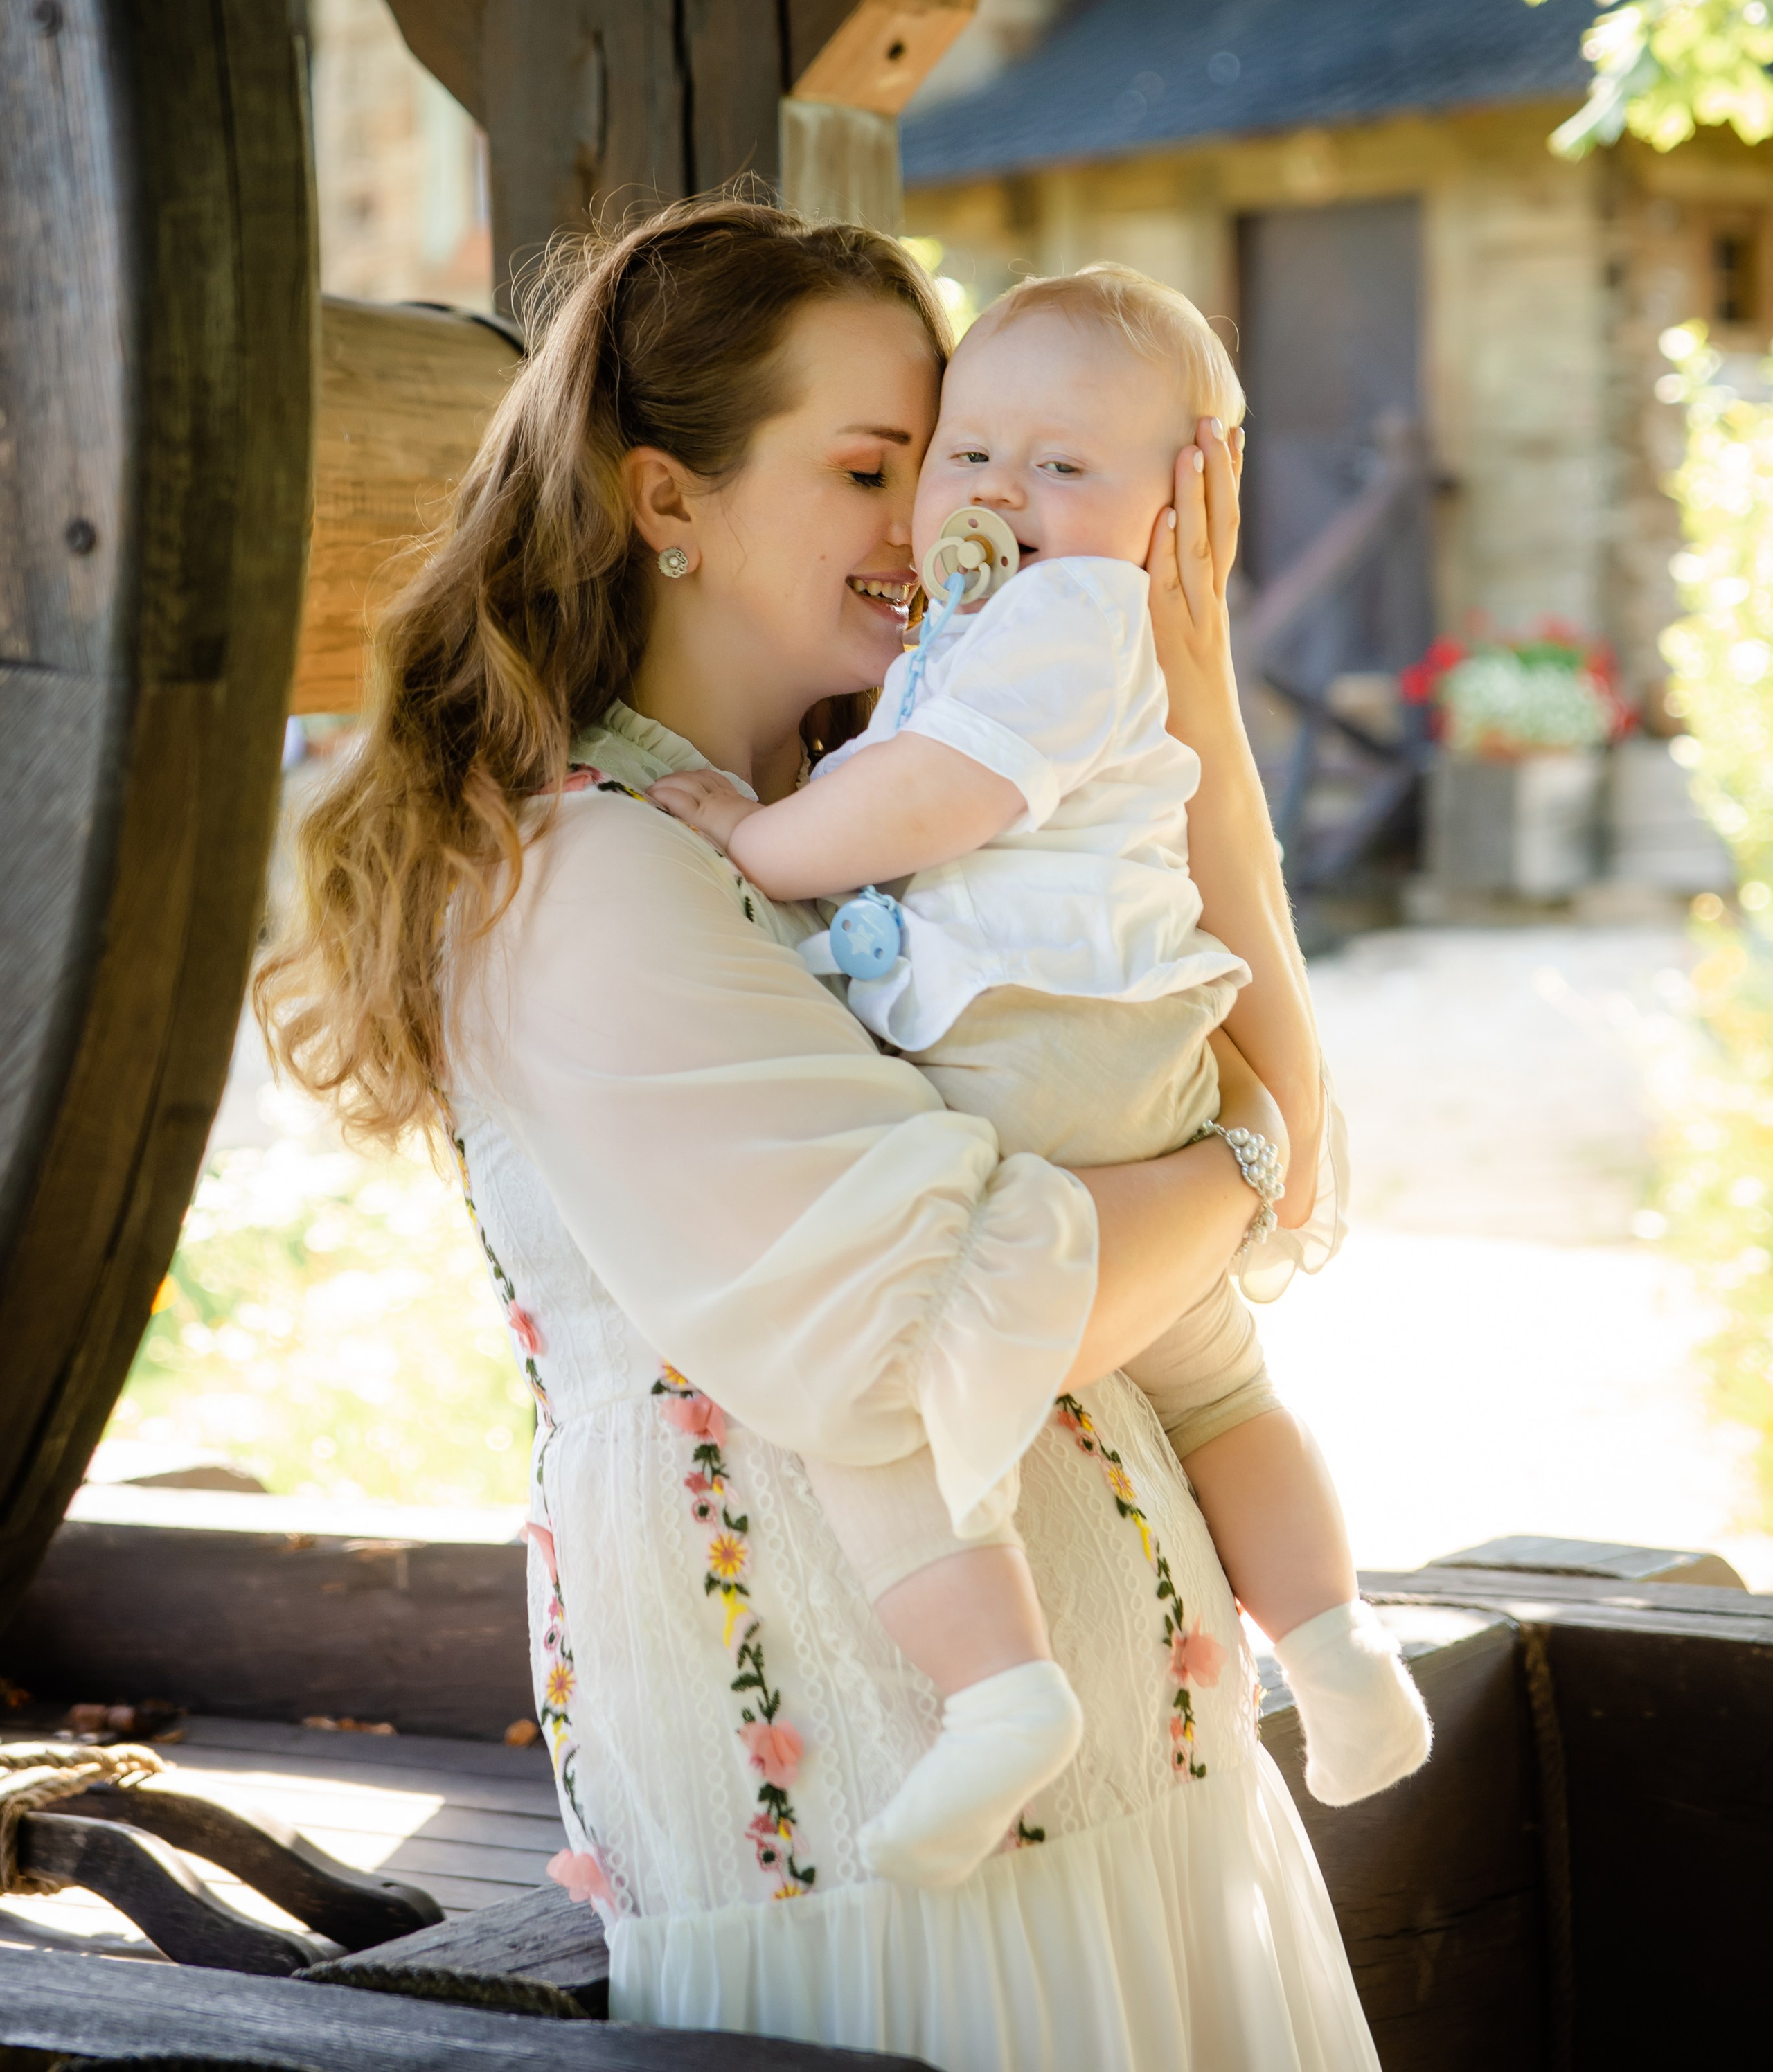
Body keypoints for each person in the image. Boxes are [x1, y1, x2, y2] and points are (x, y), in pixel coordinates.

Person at [259, 194, 1385, 2072]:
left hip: (1145, 1809)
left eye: (940, 455)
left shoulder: (910, 837)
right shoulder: (590, 879)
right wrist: (1250, 1149)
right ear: (667, 501)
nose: (950, 513)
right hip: (897, 1880)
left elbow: (1246, 1127)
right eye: (881, 464)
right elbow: (969, 1310)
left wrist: (1179, 685)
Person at [647, 266, 1429, 1890]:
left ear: (1176, 512)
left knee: (872, 1379)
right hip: (1126, 1054)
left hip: (1032, 1042)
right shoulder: (1012, 622)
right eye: (962, 452)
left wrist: (759, 837)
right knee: (1218, 1383)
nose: (997, 492)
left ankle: (996, 1694)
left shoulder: (1069, 619)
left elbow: (936, 796)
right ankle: (1341, 1650)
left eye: (1062, 467)